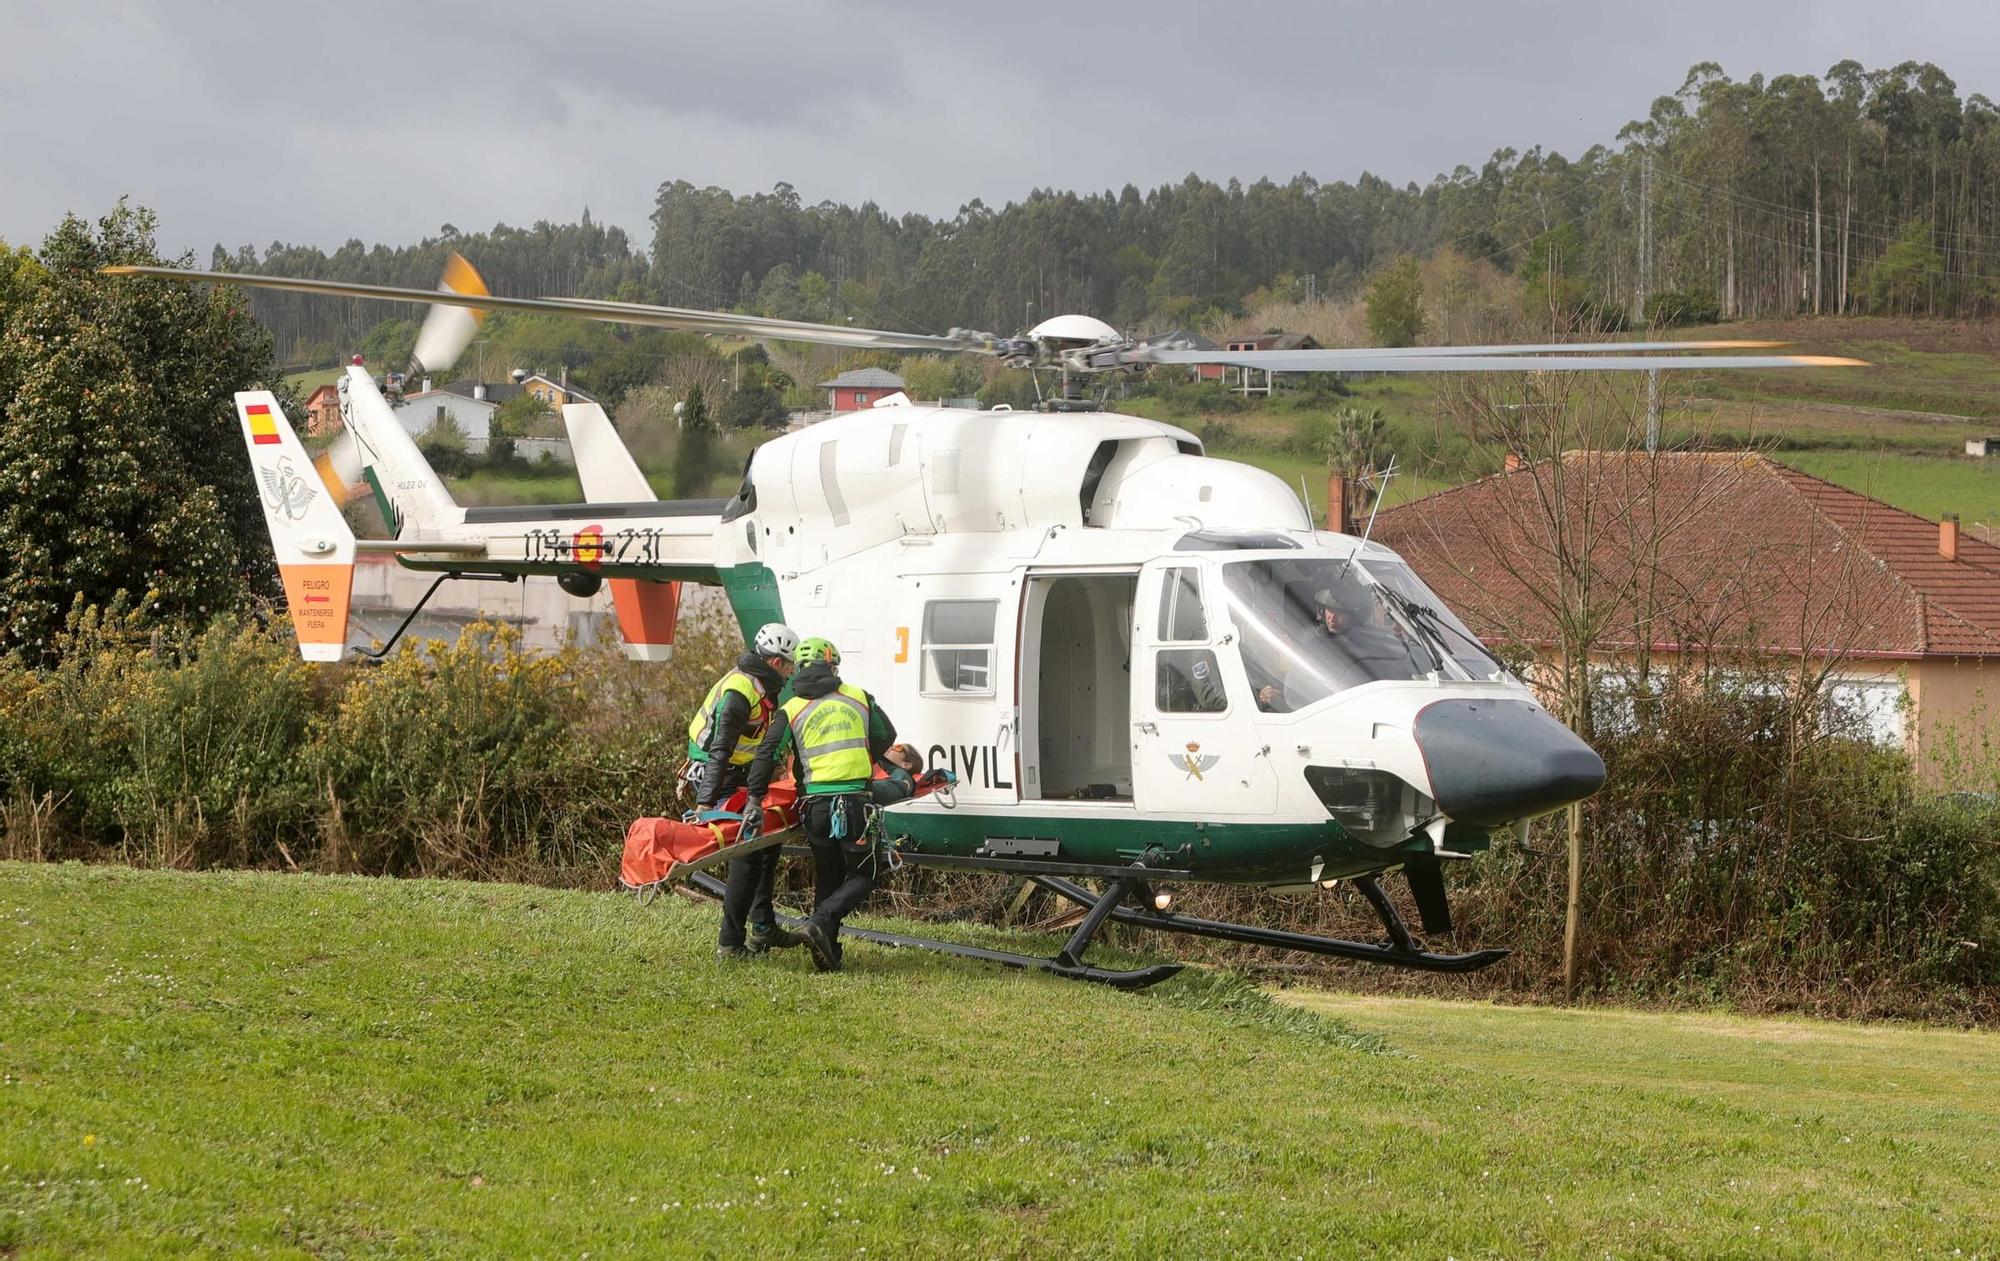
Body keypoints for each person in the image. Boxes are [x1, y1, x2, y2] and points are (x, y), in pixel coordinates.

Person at [740, 637, 897, 973]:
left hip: (815, 807)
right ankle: (819, 923)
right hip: (854, 804)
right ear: (834, 667)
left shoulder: (792, 708)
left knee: (829, 876)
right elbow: (888, 735)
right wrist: (862, 758)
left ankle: (828, 952)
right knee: (867, 872)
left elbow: (766, 754)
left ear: (798, 669)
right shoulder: (859, 698)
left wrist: (754, 798)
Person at [690, 621, 803, 960]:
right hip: (716, 775)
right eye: (788, 665)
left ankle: (764, 927)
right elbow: (720, 749)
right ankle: (730, 944)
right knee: (748, 850)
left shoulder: (762, 687)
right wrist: (705, 802)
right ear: (773, 663)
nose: (791, 672)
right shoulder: (740, 691)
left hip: (739, 774)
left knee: (768, 843)